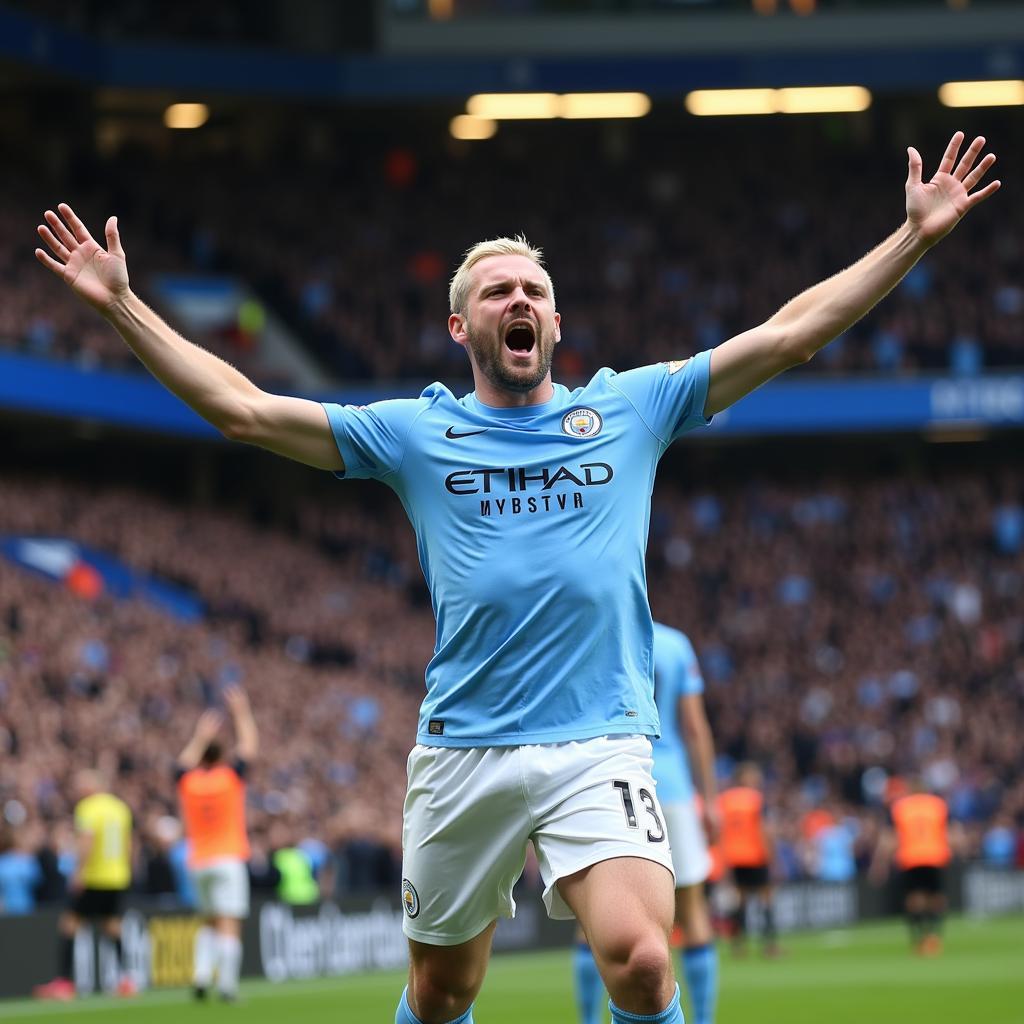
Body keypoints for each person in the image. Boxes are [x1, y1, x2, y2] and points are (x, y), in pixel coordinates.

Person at [34, 131, 999, 1024]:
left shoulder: (633, 408)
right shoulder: (413, 430)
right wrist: (121, 304)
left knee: (644, 963)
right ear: (460, 327)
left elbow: (790, 335)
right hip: (466, 750)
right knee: (443, 992)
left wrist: (910, 240)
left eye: (532, 289)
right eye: (496, 292)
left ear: (557, 318)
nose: (518, 302)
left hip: (599, 740)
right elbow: (243, 410)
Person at [573, 623, 720, 1024]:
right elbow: (694, 728)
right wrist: (709, 800)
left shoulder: (598, 631)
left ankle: (588, 1020)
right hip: (670, 785)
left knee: (592, 914)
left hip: (606, 783)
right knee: (692, 912)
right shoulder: (675, 643)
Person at [176, 686, 258, 1002]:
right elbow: (249, 747)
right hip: (228, 858)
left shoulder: (190, 783)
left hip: (198, 861)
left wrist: (199, 735)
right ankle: (226, 985)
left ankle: (199, 976)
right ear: (221, 756)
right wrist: (241, 713)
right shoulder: (229, 778)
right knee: (228, 922)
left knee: (208, 921)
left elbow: (182, 765)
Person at [33, 770, 135, 1000]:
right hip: (118, 876)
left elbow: (86, 841)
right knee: (112, 926)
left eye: (81, 784)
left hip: (94, 876)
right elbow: (129, 845)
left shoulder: (88, 808)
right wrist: (126, 869)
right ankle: (126, 980)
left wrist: (79, 872)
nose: (77, 789)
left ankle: (64, 983)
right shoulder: (120, 808)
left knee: (69, 924)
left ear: (91, 787)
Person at [870, 781, 954, 955]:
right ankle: (934, 936)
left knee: (914, 898)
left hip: (910, 856)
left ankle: (918, 938)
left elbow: (889, 837)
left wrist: (879, 864)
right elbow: (951, 832)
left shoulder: (900, 807)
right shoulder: (937, 805)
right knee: (936, 897)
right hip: (935, 855)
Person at [717, 763, 780, 957]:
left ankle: (738, 946)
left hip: (734, 856)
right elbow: (764, 829)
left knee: (741, 902)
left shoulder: (725, 799)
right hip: (755, 854)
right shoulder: (756, 799)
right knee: (767, 899)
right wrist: (773, 857)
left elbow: (720, 830)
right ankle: (770, 946)